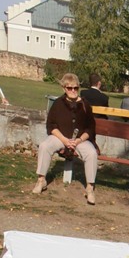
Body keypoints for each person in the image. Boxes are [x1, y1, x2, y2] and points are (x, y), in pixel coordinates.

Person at [32, 73, 98, 205]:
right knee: (45, 146)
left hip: (80, 140)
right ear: (64, 88)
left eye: (75, 88)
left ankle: (90, 188)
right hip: (60, 137)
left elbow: (90, 128)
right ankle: (41, 180)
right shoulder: (58, 104)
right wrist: (64, 140)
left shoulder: (85, 105)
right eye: (69, 88)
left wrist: (78, 140)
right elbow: (51, 126)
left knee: (91, 153)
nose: (73, 91)